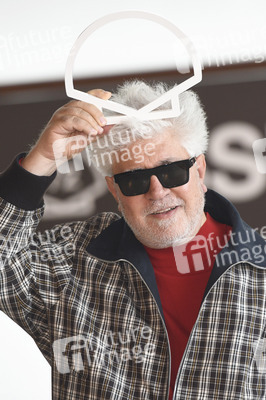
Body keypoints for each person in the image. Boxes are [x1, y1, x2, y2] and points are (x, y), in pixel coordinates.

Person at [0, 80, 265, 400]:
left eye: (172, 171)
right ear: (114, 189)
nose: (157, 192)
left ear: (200, 170)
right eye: (134, 179)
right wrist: (42, 157)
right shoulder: (72, 261)